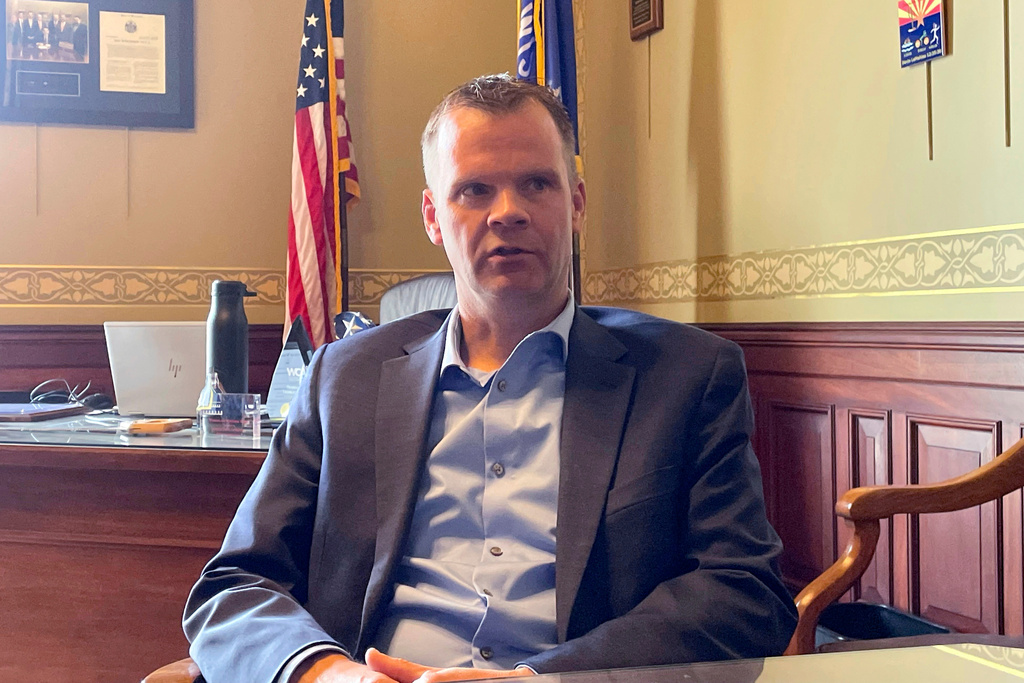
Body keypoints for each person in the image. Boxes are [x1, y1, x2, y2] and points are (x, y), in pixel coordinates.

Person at [183, 74, 796, 683]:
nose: (508, 213)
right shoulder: (344, 378)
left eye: (536, 183)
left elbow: (744, 591)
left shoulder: (686, 375)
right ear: (432, 215)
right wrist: (324, 674)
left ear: (576, 202)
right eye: (474, 190)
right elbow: (234, 582)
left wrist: (541, 679)